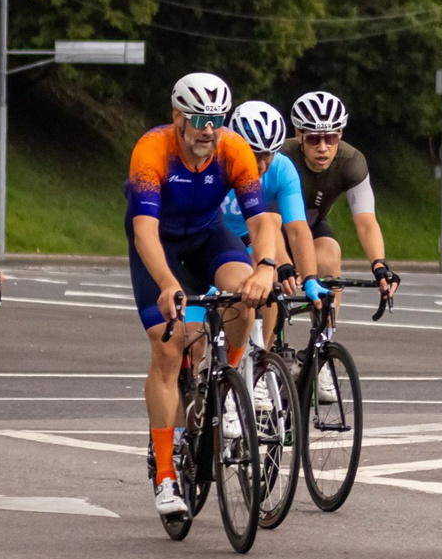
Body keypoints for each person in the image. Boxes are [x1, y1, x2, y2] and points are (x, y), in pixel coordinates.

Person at [127, 73, 284, 519]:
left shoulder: (234, 151)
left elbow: (260, 222)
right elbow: (144, 231)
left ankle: (230, 381)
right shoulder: (150, 152)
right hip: (160, 247)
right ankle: (164, 474)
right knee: (170, 345)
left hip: (208, 237)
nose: (208, 130)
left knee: (245, 294)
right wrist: (167, 284)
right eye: (198, 119)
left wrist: (266, 268)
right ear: (177, 116)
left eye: (215, 120)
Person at [222, 99, 325, 355]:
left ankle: (260, 358)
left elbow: (298, 228)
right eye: (254, 154)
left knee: (268, 284)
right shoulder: (217, 163)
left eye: (268, 154)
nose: (261, 164)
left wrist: (311, 277)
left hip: (249, 240)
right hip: (213, 241)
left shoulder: (282, 169)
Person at [287, 90, 398, 305]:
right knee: (270, 276)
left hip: (311, 224)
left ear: (340, 134)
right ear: (299, 134)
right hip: (275, 226)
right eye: (313, 139)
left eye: (330, 138)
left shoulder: (351, 162)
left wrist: (379, 265)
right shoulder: (281, 158)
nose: (322, 147)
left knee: (329, 255)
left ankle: (325, 334)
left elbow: (366, 222)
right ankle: (264, 337)